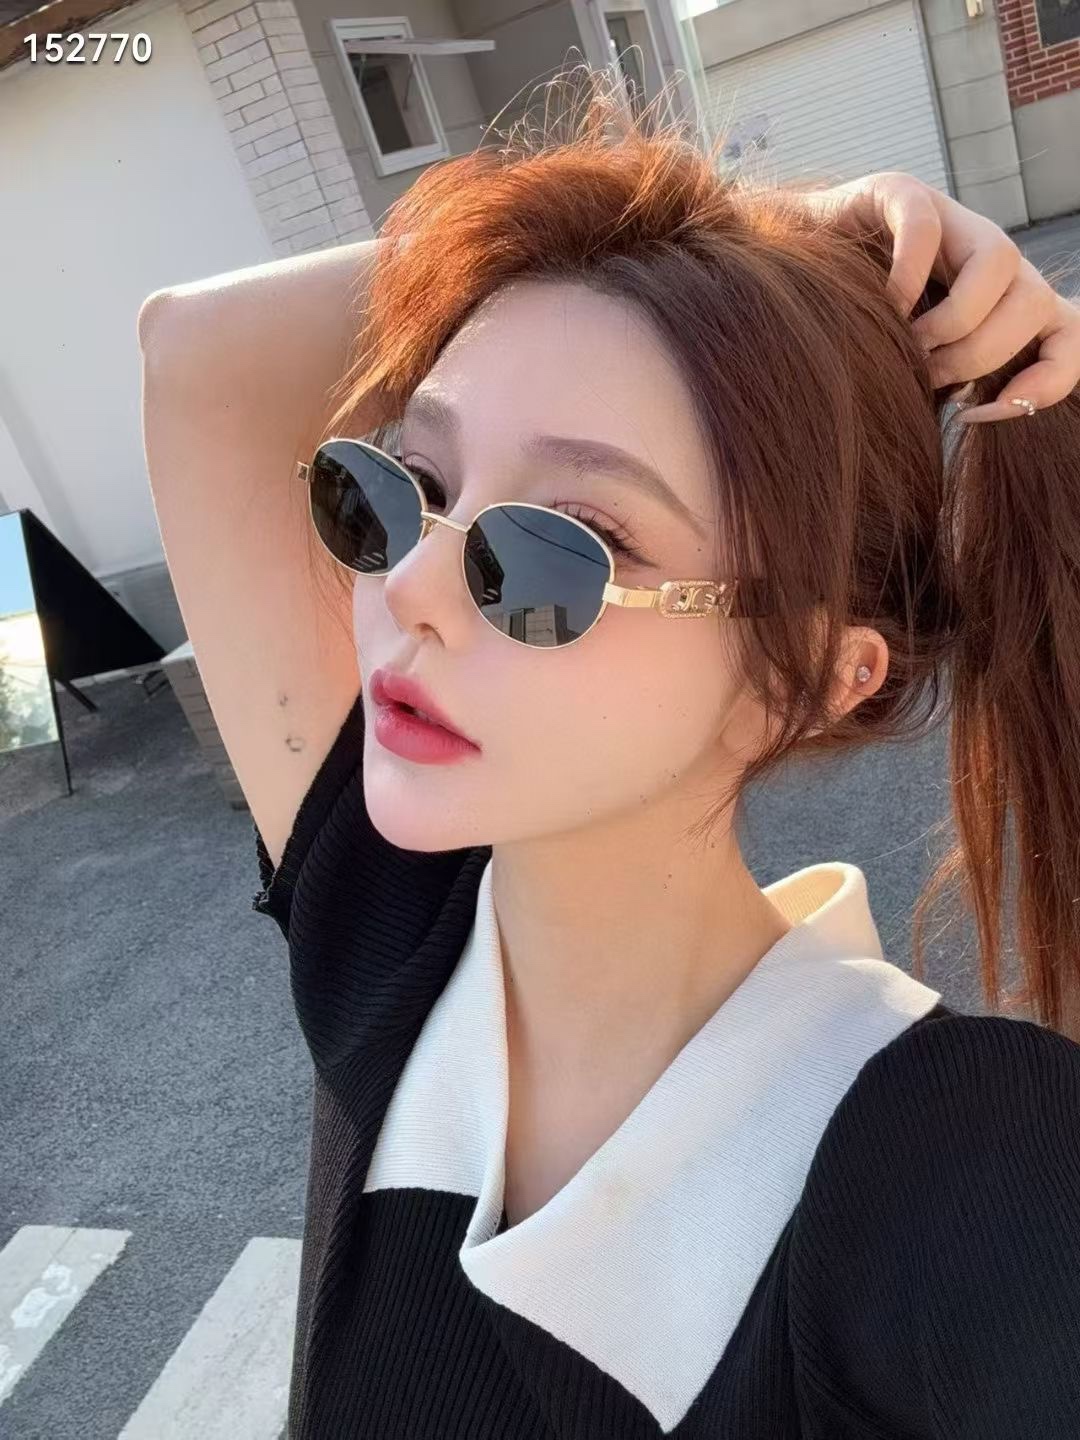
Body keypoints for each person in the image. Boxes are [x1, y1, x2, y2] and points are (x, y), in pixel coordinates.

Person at [139, 67, 1080, 1440]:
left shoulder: (961, 1164)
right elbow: (195, 354)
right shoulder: (392, 921)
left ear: (813, 681)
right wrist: (787, 232)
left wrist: (770, 278)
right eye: (410, 487)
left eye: (557, 552)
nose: (411, 587)